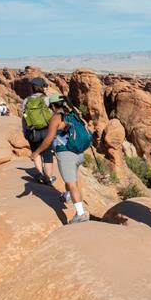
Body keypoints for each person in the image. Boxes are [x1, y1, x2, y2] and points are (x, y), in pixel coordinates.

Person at [30, 93, 90, 224]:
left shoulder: (56, 118)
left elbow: (49, 138)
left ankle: (81, 214)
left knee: (71, 183)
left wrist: (37, 152)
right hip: (79, 153)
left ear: (52, 105)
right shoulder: (73, 113)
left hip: (66, 154)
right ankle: (68, 196)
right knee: (72, 178)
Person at [22, 77, 56, 185]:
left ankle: (40, 175)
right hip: (47, 130)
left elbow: (24, 116)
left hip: (33, 131)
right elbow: (52, 114)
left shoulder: (26, 101)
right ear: (42, 87)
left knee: (35, 152)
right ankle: (49, 178)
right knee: (47, 155)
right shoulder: (46, 99)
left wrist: (25, 131)